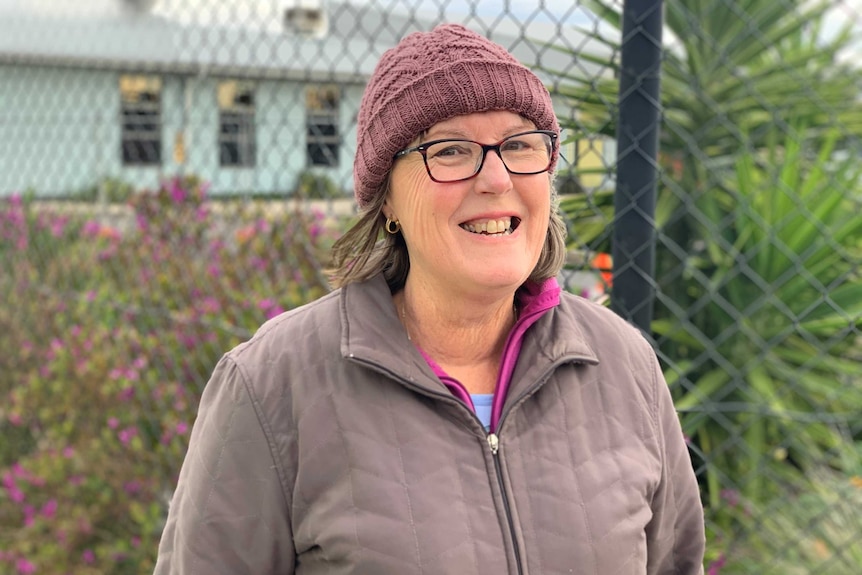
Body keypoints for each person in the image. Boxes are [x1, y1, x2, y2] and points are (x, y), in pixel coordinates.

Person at [153, 23, 705, 575]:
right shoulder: (272, 385)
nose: (495, 178)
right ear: (386, 198)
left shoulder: (624, 366)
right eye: (451, 150)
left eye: (518, 144)